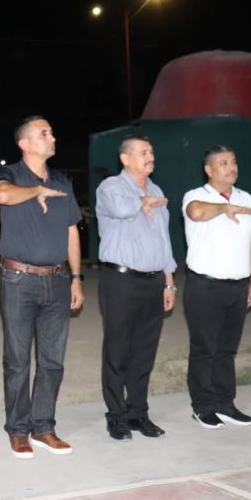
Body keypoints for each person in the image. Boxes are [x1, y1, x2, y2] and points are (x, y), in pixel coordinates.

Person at [0, 115, 85, 458]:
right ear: (25, 143)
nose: (52, 136)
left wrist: (77, 278)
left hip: (58, 280)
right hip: (18, 280)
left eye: (51, 131)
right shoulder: (11, 175)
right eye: (44, 133)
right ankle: (18, 430)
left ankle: (43, 426)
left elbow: (71, 231)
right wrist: (36, 190)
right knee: (17, 360)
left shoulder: (62, 181)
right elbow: (2, 196)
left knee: (52, 361)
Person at [95, 134, 177, 441]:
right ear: (125, 159)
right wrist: (144, 202)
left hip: (154, 280)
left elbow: (164, 241)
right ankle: (116, 416)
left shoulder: (157, 190)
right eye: (144, 152)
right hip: (121, 280)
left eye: (152, 151)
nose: (150, 156)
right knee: (117, 350)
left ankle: (137, 413)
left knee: (144, 351)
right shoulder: (110, 188)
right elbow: (121, 210)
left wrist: (169, 283)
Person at [182, 145, 251, 429]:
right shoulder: (195, 195)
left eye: (234, 161)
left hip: (237, 286)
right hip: (205, 286)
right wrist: (225, 207)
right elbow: (196, 213)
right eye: (224, 163)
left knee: (227, 349)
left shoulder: (246, 198)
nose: (231, 167)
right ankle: (203, 407)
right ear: (209, 169)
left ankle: (225, 404)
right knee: (205, 348)